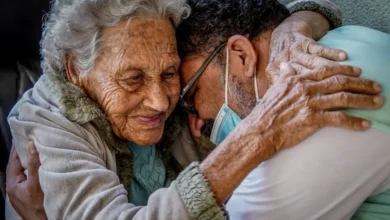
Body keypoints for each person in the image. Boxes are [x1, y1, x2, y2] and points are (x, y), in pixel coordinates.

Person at [4, 0, 383, 220]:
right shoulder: (48, 126)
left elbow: (258, 21)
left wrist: (299, 21)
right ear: (75, 70)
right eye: (133, 78)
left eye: (170, 74)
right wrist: (255, 138)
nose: (161, 101)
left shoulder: (175, 74)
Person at [175, 0, 390, 219]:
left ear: (242, 55)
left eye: (192, 97)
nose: (196, 124)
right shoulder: (352, 38)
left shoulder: (312, 113)